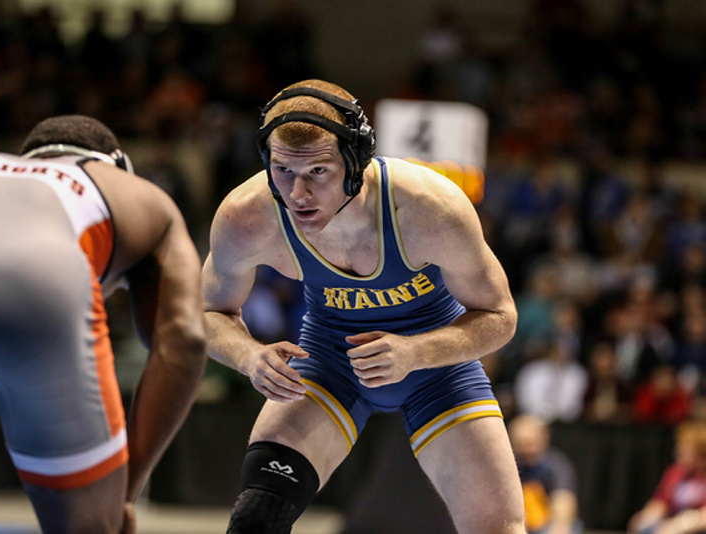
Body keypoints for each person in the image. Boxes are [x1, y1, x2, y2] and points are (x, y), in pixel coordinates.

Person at [202, 79, 525, 533]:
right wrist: (248, 355)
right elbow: (208, 313)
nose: (297, 194)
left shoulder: (429, 208)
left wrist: (417, 353)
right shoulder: (248, 215)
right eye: (282, 170)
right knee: (258, 516)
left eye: (318, 172)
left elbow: (501, 316)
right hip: (329, 361)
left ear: (356, 161)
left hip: (436, 366)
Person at [0, 115, 207, 533]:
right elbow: (187, 341)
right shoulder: (137, 193)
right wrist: (120, 492)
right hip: (46, 282)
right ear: (116, 163)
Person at [627, 420, 706, 534]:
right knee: (644, 527)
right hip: (671, 524)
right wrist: (645, 517)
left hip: (694, 526)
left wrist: (680, 525)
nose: (678, 455)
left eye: (685, 452)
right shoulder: (675, 472)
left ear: (701, 455)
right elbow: (661, 502)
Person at [508, 414, 582, 534]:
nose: (526, 449)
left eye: (530, 443)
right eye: (520, 444)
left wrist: (558, 529)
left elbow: (563, 502)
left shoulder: (557, 466)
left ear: (544, 439)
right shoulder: (509, 465)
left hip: (546, 526)